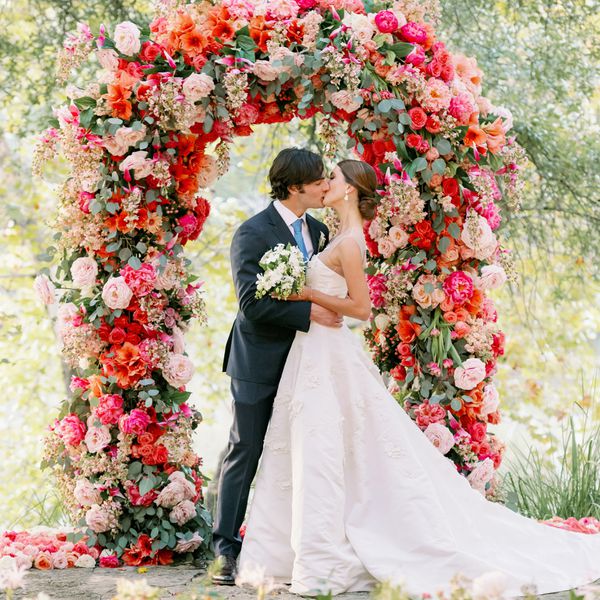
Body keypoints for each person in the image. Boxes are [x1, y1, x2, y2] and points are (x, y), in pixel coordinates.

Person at [237, 159, 600, 596]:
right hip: (313, 353)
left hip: (327, 352)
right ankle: (292, 550)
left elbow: (361, 309)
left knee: (329, 447)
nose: (325, 183)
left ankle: (327, 552)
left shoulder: (349, 243)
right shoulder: (325, 234)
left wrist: (306, 293)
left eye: (332, 178)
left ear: (350, 190)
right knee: (316, 448)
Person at [211, 148, 341, 585]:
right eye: (319, 180)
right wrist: (310, 315)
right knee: (245, 450)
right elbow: (251, 305)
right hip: (259, 361)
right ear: (294, 186)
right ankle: (224, 551)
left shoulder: (321, 232)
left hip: (309, 363)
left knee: (303, 456)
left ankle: (284, 547)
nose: (326, 186)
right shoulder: (252, 233)